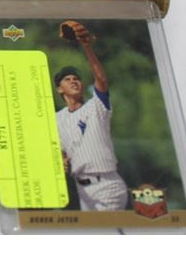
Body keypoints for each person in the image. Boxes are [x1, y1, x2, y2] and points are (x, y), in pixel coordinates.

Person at [53, 21, 129, 212]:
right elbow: (61, 151)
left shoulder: (96, 106)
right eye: (67, 79)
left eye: (76, 78)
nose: (74, 81)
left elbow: (101, 79)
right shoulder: (57, 118)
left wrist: (87, 47)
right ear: (59, 89)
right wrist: (60, 160)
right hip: (82, 189)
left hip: (107, 185)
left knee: (105, 228)